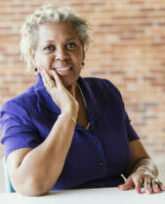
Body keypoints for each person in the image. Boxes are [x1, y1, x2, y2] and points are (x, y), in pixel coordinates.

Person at [0, 5, 164, 196]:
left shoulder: (106, 92)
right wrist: (68, 112)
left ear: (83, 53)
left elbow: (141, 160)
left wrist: (144, 171)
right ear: (33, 56)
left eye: (71, 45)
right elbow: (30, 186)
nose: (62, 55)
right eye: (49, 48)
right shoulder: (18, 110)